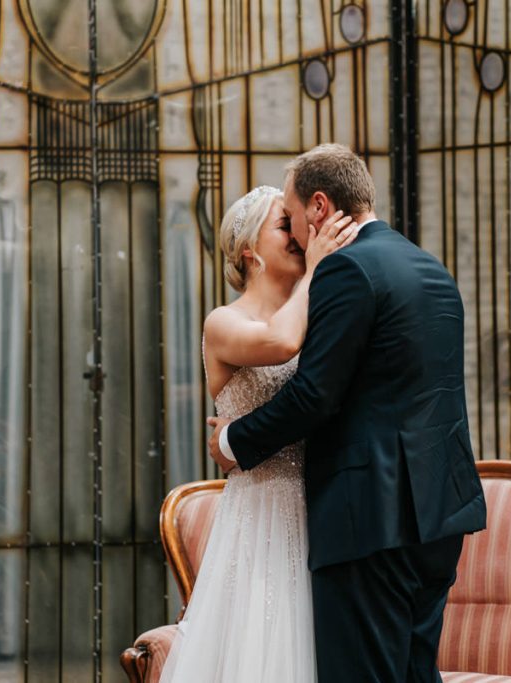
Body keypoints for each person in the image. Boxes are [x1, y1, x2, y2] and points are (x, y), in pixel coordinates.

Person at [208, 144, 487, 683]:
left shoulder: (346, 271)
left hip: (371, 519)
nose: (290, 232)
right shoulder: (429, 269)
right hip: (439, 514)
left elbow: (315, 395)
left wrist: (233, 442)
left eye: (290, 217)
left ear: (318, 207)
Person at [159, 185, 359, 683]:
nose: (299, 234)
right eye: (283, 226)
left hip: (324, 509)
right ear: (250, 251)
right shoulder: (225, 322)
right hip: (261, 516)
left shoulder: (320, 316)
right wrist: (316, 267)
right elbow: (280, 341)